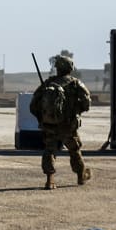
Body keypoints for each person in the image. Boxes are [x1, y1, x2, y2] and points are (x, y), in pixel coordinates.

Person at [29, 55, 92, 190]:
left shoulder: (48, 84)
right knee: (74, 150)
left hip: (50, 125)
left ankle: (49, 180)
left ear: (57, 68)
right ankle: (81, 175)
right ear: (70, 67)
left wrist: (43, 118)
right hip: (68, 125)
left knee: (49, 150)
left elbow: (33, 105)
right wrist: (77, 111)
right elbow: (87, 103)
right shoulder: (75, 83)